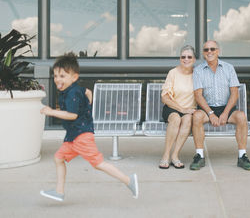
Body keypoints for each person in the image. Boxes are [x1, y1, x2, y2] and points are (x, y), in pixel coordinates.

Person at [39, 52, 138, 202]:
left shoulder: (72, 93)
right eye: (55, 76)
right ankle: (59, 191)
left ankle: (129, 181)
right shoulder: (73, 89)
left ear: (74, 77)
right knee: (58, 158)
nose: (57, 79)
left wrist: (51, 112)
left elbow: (72, 115)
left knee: (98, 164)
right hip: (74, 136)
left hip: (81, 136)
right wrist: (88, 98)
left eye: (62, 76)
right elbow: (87, 91)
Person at [190, 40, 250, 171]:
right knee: (196, 116)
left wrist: (225, 113)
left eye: (212, 49)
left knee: (241, 117)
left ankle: (242, 157)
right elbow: (198, 95)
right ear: (203, 53)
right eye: (206, 50)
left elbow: (234, 93)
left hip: (227, 108)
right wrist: (210, 114)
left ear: (218, 51)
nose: (209, 52)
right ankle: (199, 156)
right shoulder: (198, 70)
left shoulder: (228, 68)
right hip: (207, 109)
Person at [159, 45, 197, 169]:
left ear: (194, 59)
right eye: (183, 57)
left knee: (187, 120)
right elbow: (165, 98)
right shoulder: (173, 73)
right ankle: (165, 155)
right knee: (176, 119)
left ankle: (175, 156)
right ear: (180, 58)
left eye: (189, 57)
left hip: (189, 110)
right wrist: (181, 109)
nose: (186, 59)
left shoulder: (198, 74)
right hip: (172, 107)